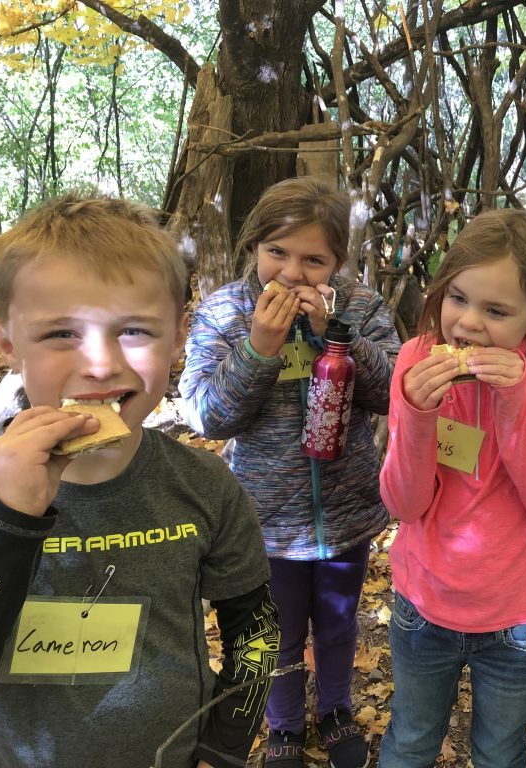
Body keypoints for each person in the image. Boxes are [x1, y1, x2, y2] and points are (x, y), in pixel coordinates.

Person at [0, 195, 279, 768]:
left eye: (135, 330)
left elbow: (257, 629)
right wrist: (8, 523)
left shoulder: (206, 485)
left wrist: (223, 748)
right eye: (60, 334)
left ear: (177, 339)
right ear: (7, 345)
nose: (99, 364)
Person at [179, 177, 400, 768]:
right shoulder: (226, 310)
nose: (293, 272)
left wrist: (339, 337)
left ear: (338, 261)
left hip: (347, 509)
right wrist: (258, 347)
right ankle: (281, 725)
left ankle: (333, 710)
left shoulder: (360, 306)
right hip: (264, 517)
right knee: (276, 632)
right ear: (255, 245)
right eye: (278, 252)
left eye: (314, 260)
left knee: (336, 621)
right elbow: (206, 414)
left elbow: (392, 393)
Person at [377, 208, 526, 768]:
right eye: (458, 298)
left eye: (496, 310)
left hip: (519, 615)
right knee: (412, 740)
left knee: (499, 751)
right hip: (425, 603)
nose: (468, 324)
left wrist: (514, 402)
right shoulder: (417, 360)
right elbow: (403, 503)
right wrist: (418, 415)